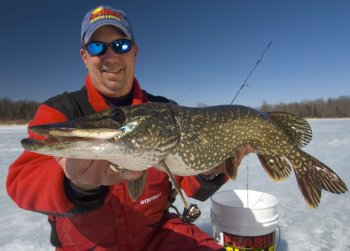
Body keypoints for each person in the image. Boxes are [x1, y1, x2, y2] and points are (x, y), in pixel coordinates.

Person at [6, 5, 252, 251]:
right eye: (97, 46)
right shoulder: (61, 111)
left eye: (120, 45)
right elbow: (22, 182)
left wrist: (209, 170)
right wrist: (76, 185)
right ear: (84, 56)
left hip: (157, 236)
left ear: (134, 51)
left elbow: (186, 182)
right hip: (86, 245)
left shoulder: (166, 111)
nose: (110, 56)